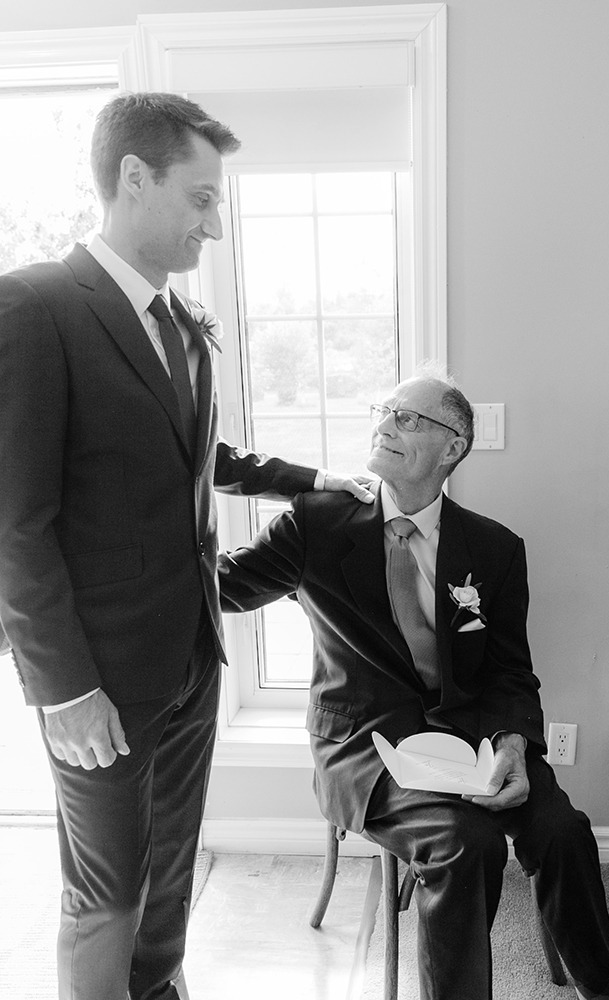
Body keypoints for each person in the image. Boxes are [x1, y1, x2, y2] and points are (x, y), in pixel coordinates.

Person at [0, 91, 373, 1000]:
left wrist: (304, 480)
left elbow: (197, 453)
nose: (216, 223)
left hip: (193, 658)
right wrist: (65, 691)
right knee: (107, 889)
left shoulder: (182, 327)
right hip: (102, 676)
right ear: (135, 179)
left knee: (170, 869)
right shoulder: (35, 307)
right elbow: (16, 524)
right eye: (202, 198)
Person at [217, 372, 609, 1000]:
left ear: (454, 447)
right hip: (364, 743)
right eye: (384, 411)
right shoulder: (316, 523)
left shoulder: (494, 549)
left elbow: (510, 671)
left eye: (409, 418)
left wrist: (515, 744)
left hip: (473, 738)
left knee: (563, 832)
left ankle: (602, 986)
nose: (387, 423)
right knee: (468, 843)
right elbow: (223, 587)